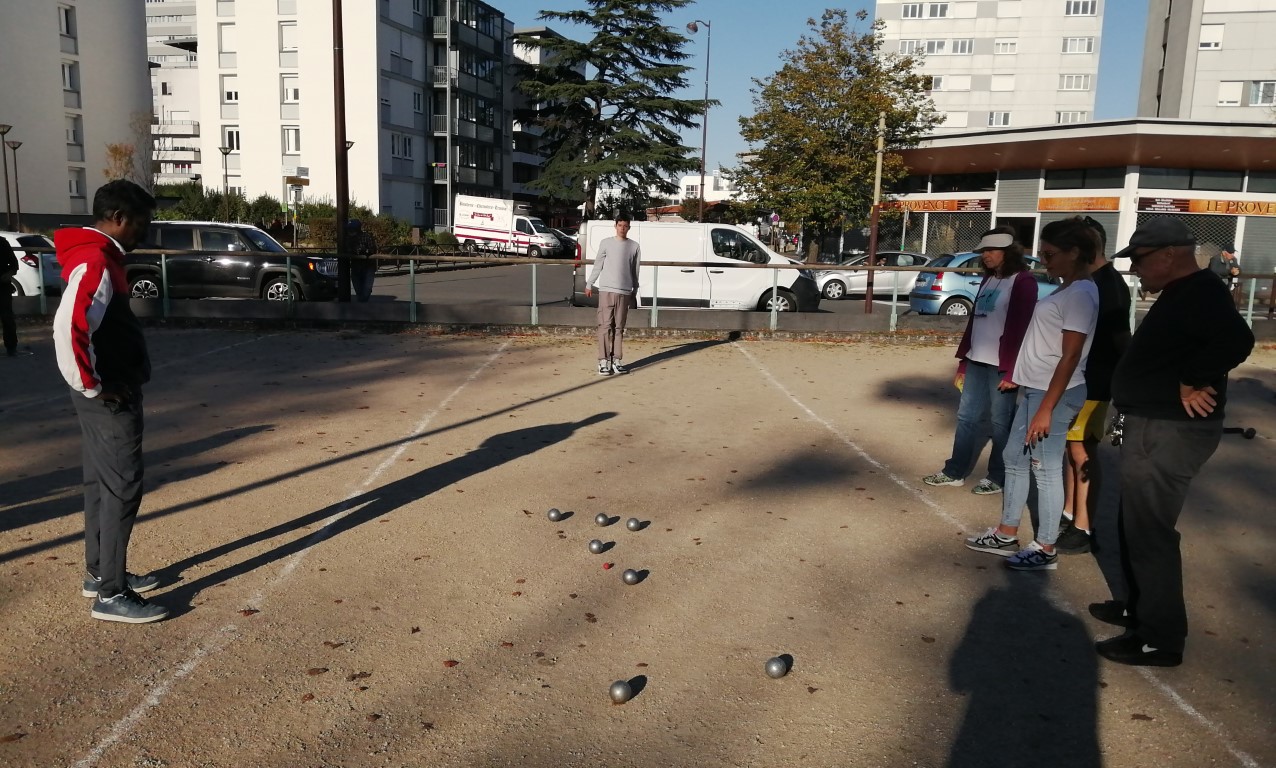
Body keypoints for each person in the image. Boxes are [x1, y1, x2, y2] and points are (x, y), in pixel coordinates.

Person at [1091, 218, 1253, 667]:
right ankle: (1138, 609)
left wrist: (1191, 379)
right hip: (1152, 426)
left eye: (1139, 260)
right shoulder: (1182, 293)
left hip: (1169, 430)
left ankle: (1159, 638)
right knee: (1134, 523)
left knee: (1150, 533)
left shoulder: (1201, 291)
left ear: (1168, 254)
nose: (1136, 270)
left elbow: (1238, 340)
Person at [52, 179, 168, 624]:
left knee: (102, 484)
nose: (145, 230)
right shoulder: (96, 260)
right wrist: (93, 385)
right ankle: (111, 593)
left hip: (104, 392)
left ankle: (100, 572)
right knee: (122, 486)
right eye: (142, 222)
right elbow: (70, 328)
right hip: (107, 397)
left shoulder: (101, 259)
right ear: (119, 219)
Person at [965, 218, 1100, 571]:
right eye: (1042, 252)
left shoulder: (1082, 293)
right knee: (1014, 456)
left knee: (1045, 467)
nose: (1044, 260)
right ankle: (1007, 530)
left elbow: (1070, 355)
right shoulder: (1065, 289)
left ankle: (1046, 547)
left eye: (1051, 253)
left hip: (1055, 394)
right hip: (1037, 390)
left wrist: (1047, 408)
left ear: (1074, 252)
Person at [923, 227, 1038, 495]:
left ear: (1008, 253)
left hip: (1002, 366)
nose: (985, 255)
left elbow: (1022, 329)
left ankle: (998, 476)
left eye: (991, 250)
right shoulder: (988, 280)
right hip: (976, 360)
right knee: (966, 417)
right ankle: (954, 472)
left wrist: (1013, 371)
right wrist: (963, 362)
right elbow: (975, 324)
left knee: (1000, 421)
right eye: (983, 251)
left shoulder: (1023, 282)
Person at [1057, 217, 1131, 554]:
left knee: (1082, 450)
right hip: (1081, 380)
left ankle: (1084, 526)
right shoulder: (1087, 281)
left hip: (1095, 382)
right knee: (1071, 450)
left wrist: (1124, 390)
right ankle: (1070, 513)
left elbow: (1120, 340)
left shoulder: (1108, 283)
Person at [585, 214, 640, 376]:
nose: (622, 228)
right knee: (604, 325)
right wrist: (589, 284)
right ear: (615, 226)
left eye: (625, 226)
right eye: (620, 225)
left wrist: (634, 289)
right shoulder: (606, 243)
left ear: (629, 227)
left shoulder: (634, 246)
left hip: (624, 291)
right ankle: (603, 360)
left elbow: (635, 270)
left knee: (619, 327)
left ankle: (616, 359)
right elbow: (598, 265)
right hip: (606, 290)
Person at [347, 219, 378, 302]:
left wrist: (365, 251)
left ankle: (362, 304)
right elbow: (347, 250)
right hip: (355, 265)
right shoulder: (348, 239)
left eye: (352, 229)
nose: (350, 231)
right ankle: (362, 303)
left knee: (366, 289)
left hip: (368, 266)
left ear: (357, 229)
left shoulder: (366, 236)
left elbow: (373, 249)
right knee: (357, 287)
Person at [1, 236, 21, 357]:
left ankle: (11, 346)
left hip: (2, 286)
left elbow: (14, 264)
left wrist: (8, 274)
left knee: (7, 317)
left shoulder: (2, 243)